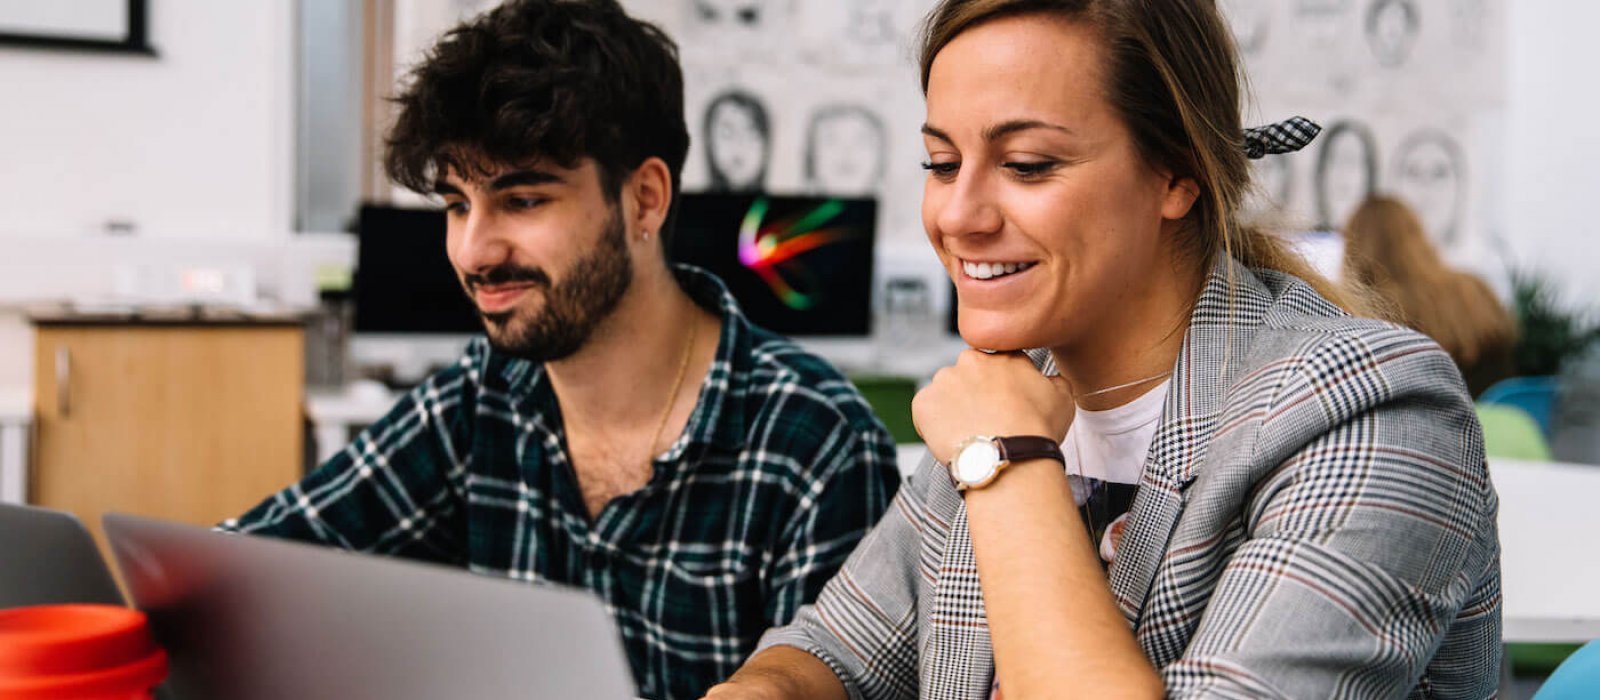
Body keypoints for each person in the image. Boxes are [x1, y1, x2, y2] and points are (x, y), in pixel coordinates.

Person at [707, 0, 1501, 697]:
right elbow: (836, 651)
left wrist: (1006, 459)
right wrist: (765, 690)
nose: (959, 214)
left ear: (1177, 175)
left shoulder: (1379, 412)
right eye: (941, 163)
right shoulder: (1018, 388)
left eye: (1027, 165)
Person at [221, 2, 899, 698]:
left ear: (644, 199)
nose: (473, 252)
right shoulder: (484, 394)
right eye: (457, 205)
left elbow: (834, 676)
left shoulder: (815, 441)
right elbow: (251, 562)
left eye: (521, 201)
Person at [1344, 195, 1517, 397]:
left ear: (1352, 248)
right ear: (1417, 235)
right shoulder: (1475, 290)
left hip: (1422, 425)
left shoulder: (1366, 314)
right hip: (1501, 422)